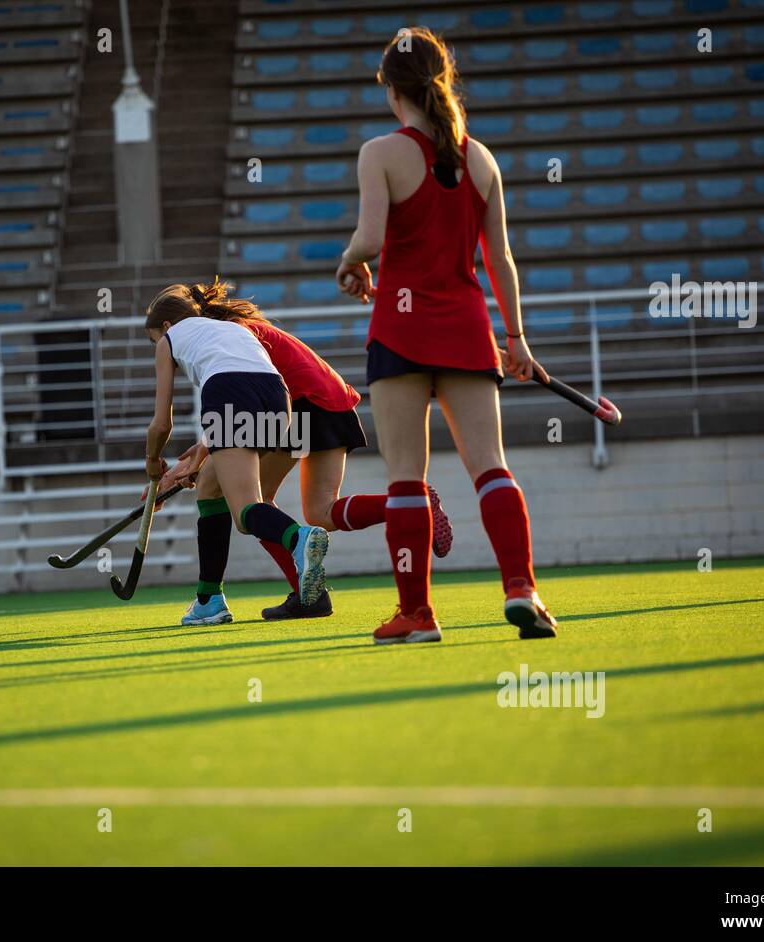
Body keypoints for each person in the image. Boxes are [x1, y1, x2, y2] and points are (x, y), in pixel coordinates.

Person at [335, 27, 558, 645]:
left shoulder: (380, 152)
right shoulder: (480, 158)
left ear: (390, 88)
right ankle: (523, 591)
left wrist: (349, 261)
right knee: (491, 466)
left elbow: (372, 239)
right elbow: (501, 260)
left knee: (406, 476)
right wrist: (516, 340)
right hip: (466, 327)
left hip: (401, 330)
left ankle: (418, 616)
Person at [157, 283, 454, 623]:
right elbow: (238, 417)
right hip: (331, 402)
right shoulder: (237, 332)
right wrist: (203, 450)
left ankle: (216, 599)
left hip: (300, 408)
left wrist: (204, 455)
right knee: (321, 511)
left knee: (237, 498)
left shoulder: (230, 335)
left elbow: (240, 403)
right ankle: (410, 505)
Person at [143, 280, 330, 623]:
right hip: (278, 396)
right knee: (210, 485)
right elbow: (242, 394)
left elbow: (161, 424)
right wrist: (189, 466)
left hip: (229, 391)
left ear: (166, 326)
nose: (158, 343)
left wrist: (153, 461)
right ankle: (209, 599)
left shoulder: (169, 340)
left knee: (245, 513)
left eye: (154, 337)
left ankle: (299, 538)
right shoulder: (228, 330)